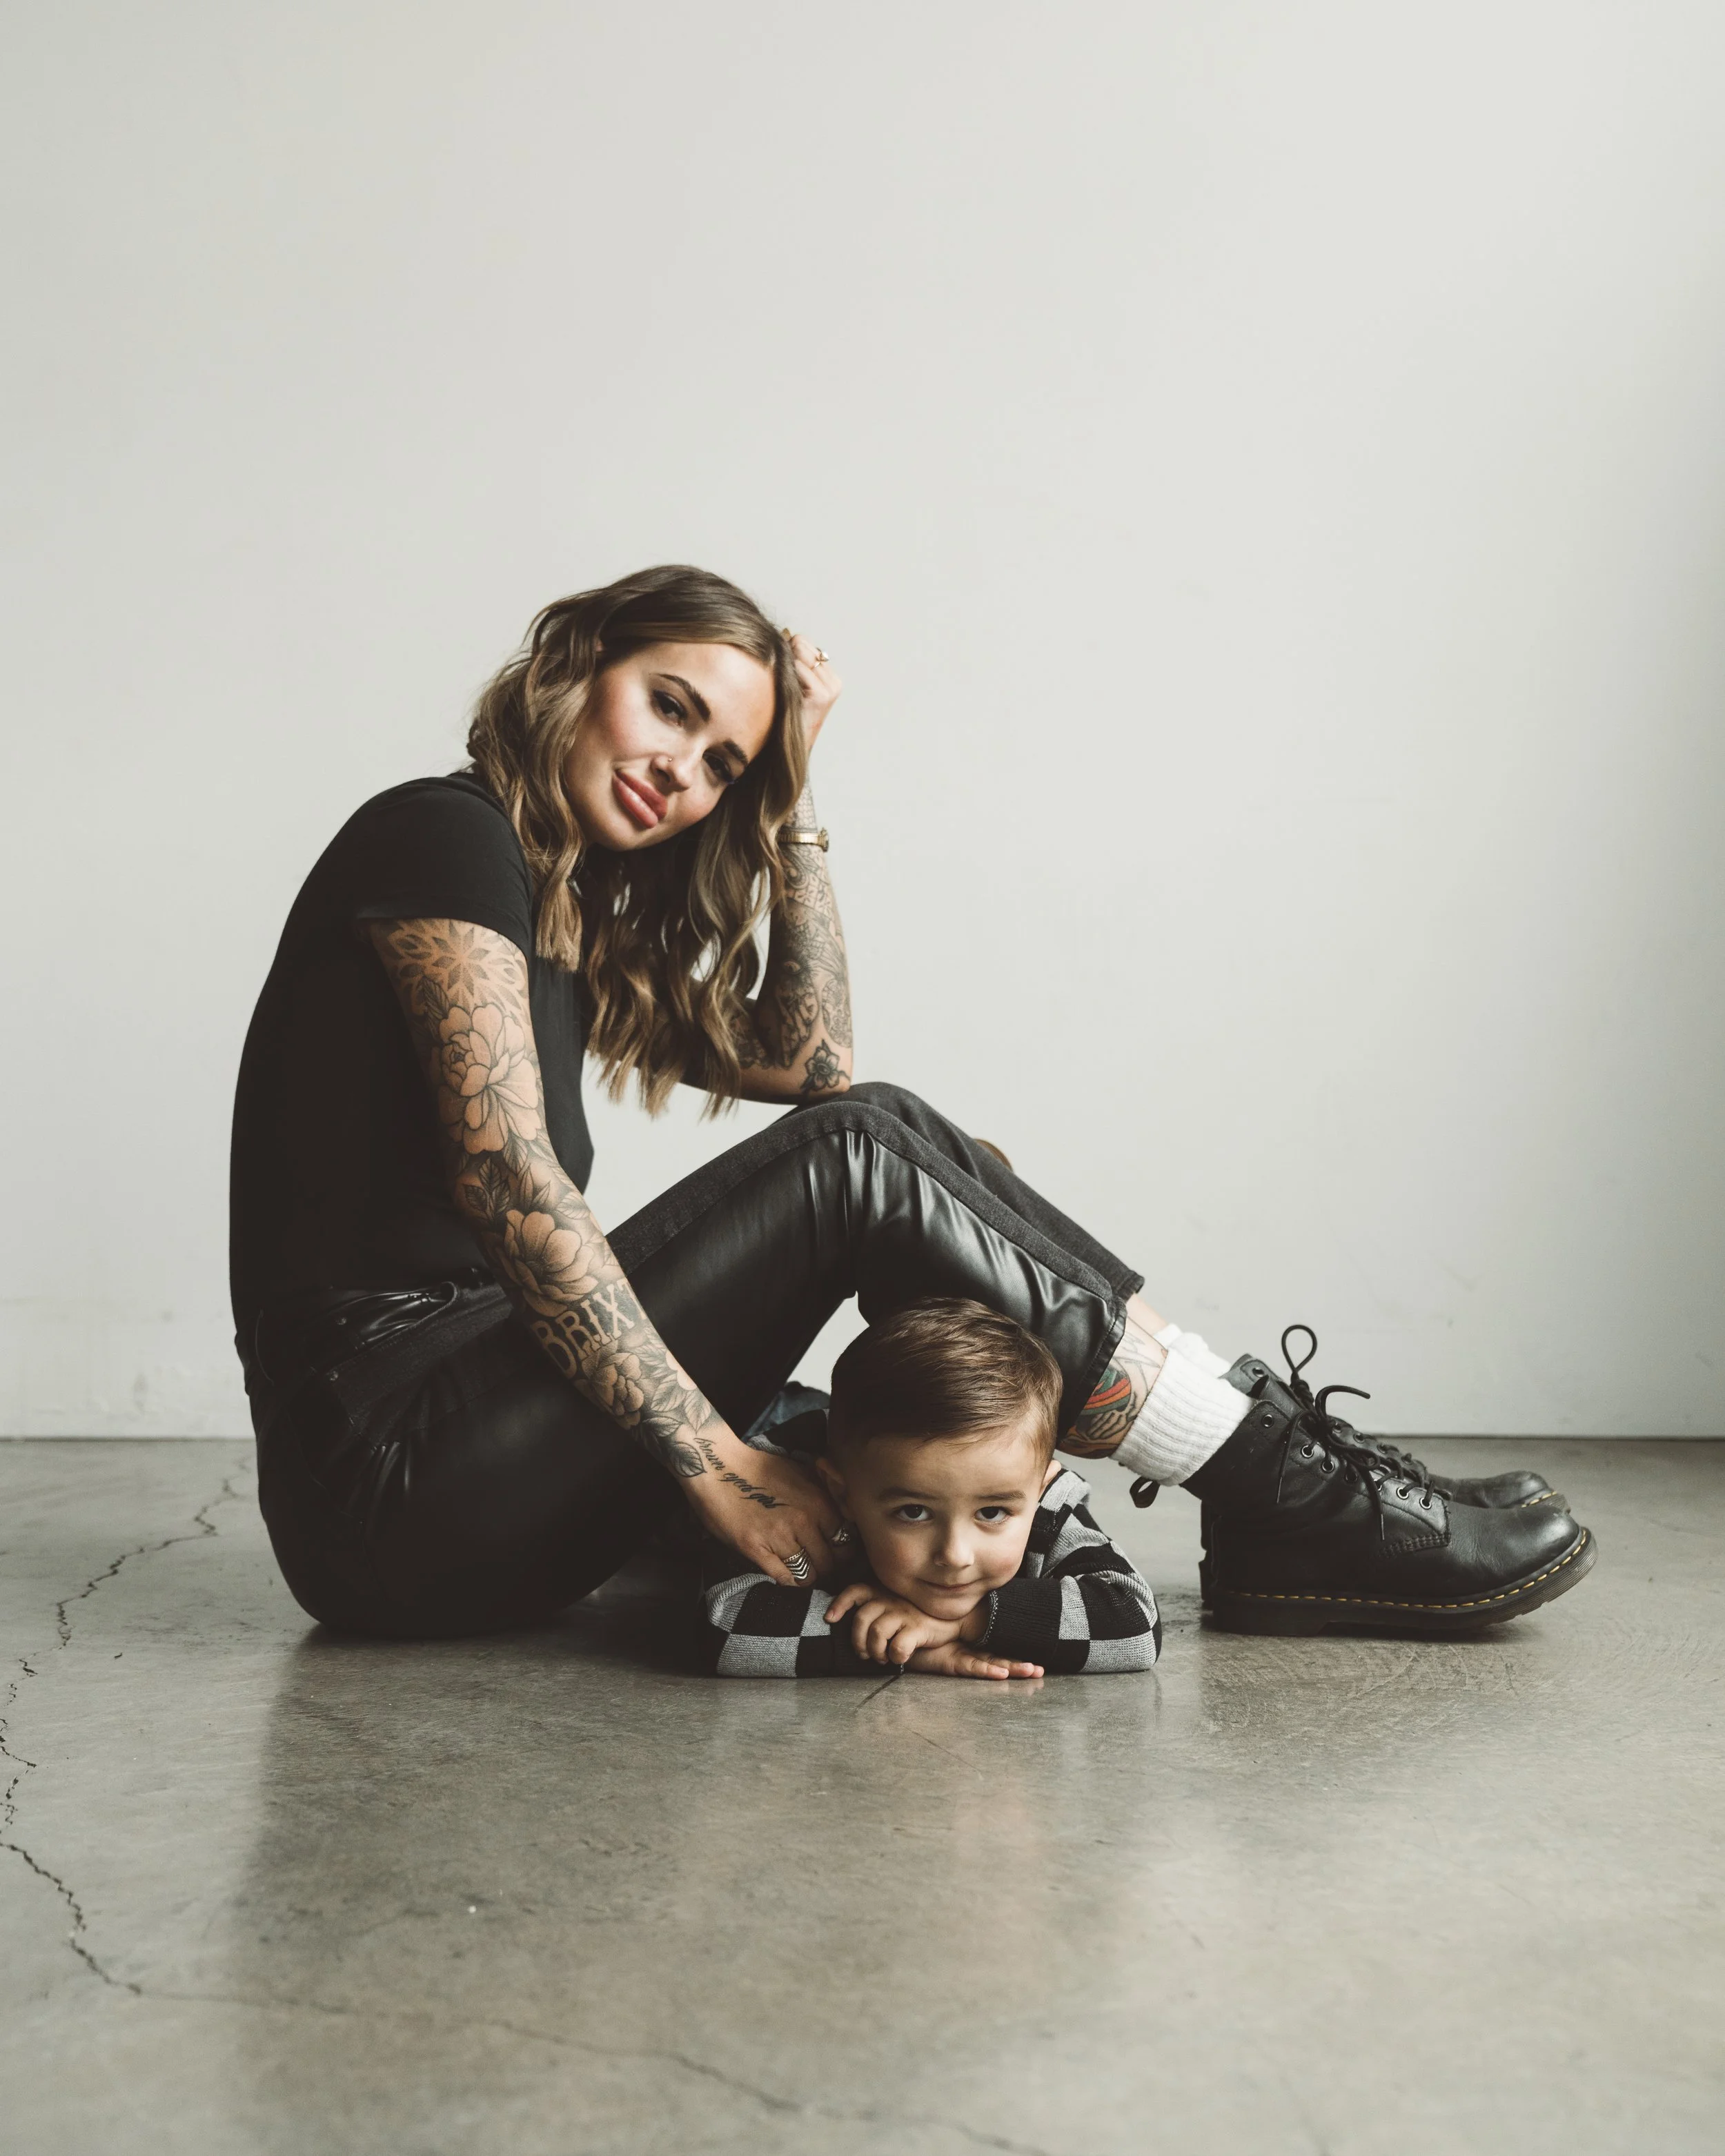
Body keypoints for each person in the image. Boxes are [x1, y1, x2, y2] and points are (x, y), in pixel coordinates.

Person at [230, 564, 1595, 1642]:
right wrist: (708, 1456)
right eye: (670, 707)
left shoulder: (566, 915)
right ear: (572, 661)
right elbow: (511, 1181)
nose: (682, 772)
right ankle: (1280, 1489)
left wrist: (792, 797)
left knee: (883, 1134)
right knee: (853, 1164)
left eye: (720, 764)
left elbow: (814, 1057)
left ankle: (1259, 1463)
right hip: (388, 1478)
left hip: (478, 1460)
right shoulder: (440, 832)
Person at [705, 1298, 1161, 1679]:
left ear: (1042, 1484)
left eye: (992, 1513)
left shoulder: (1038, 1492)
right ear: (841, 1493)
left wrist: (963, 1622)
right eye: (914, 1512)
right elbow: (723, 1627)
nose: (955, 1555)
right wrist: (902, 1645)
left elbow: (1136, 1622)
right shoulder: (789, 1487)